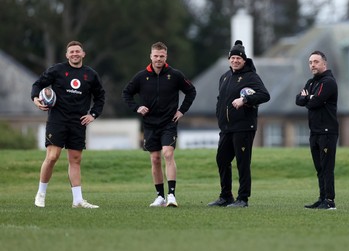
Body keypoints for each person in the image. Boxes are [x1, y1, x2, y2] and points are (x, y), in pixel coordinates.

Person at [31, 40, 105, 209]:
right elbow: (38, 84)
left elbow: (100, 97)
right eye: (71, 52)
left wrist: (93, 114)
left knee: (76, 159)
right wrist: (36, 99)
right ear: (67, 55)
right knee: (52, 156)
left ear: (83, 54)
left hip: (78, 121)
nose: (74, 54)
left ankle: (78, 200)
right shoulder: (57, 70)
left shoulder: (91, 74)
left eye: (77, 51)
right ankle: (41, 194)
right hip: (58, 119)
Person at [122, 41, 196, 207]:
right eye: (155, 56)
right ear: (150, 56)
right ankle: (160, 196)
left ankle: (171, 195)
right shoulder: (141, 77)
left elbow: (191, 91)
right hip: (149, 124)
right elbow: (126, 93)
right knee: (155, 159)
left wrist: (181, 111)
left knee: (168, 154)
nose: (158, 59)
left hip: (169, 122)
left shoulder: (175, 75)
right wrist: (137, 107)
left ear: (166, 57)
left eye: (161, 56)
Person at [208, 40, 270, 208]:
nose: (235, 61)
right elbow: (220, 100)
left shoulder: (251, 76)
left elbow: (265, 95)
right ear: (229, 59)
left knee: (242, 163)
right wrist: (219, 116)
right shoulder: (225, 77)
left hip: (243, 127)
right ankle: (225, 196)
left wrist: (245, 100)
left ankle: (243, 198)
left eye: (239, 58)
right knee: (222, 160)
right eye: (233, 58)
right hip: (226, 128)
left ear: (244, 60)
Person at [295, 50, 339, 210]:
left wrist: (308, 98)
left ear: (324, 63)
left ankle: (329, 201)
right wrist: (308, 98)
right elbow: (298, 100)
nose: (313, 65)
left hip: (327, 131)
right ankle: (321, 198)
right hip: (314, 131)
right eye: (310, 62)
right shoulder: (311, 82)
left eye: (316, 62)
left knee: (327, 168)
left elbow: (315, 102)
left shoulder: (328, 82)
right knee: (319, 168)